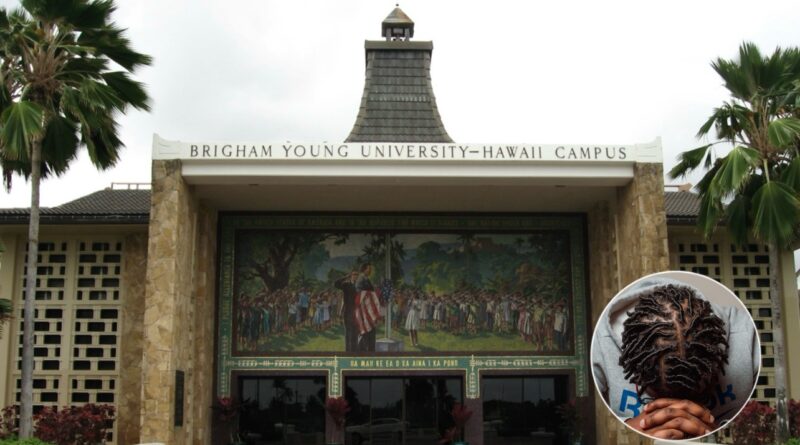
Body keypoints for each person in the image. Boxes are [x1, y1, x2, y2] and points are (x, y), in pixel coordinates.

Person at [592, 278, 758, 440]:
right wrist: (629, 430)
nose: (677, 412)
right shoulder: (600, 343)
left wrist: (720, 435)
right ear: (632, 368)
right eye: (659, 397)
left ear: (717, 358)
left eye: (697, 394)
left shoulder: (747, 335)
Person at [335, 271, 360, 352]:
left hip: (357, 313)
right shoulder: (346, 285)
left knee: (355, 333)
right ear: (351, 276)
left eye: (357, 275)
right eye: (354, 275)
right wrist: (345, 277)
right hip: (348, 312)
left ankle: (355, 351)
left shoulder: (359, 286)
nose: (355, 276)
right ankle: (348, 353)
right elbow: (336, 284)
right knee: (348, 334)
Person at [355, 263, 377, 352]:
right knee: (364, 331)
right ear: (364, 269)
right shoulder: (361, 279)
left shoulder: (366, 279)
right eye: (369, 269)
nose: (370, 270)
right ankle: (362, 352)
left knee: (370, 331)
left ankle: (370, 351)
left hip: (368, 309)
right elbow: (359, 293)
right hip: (364, 309)